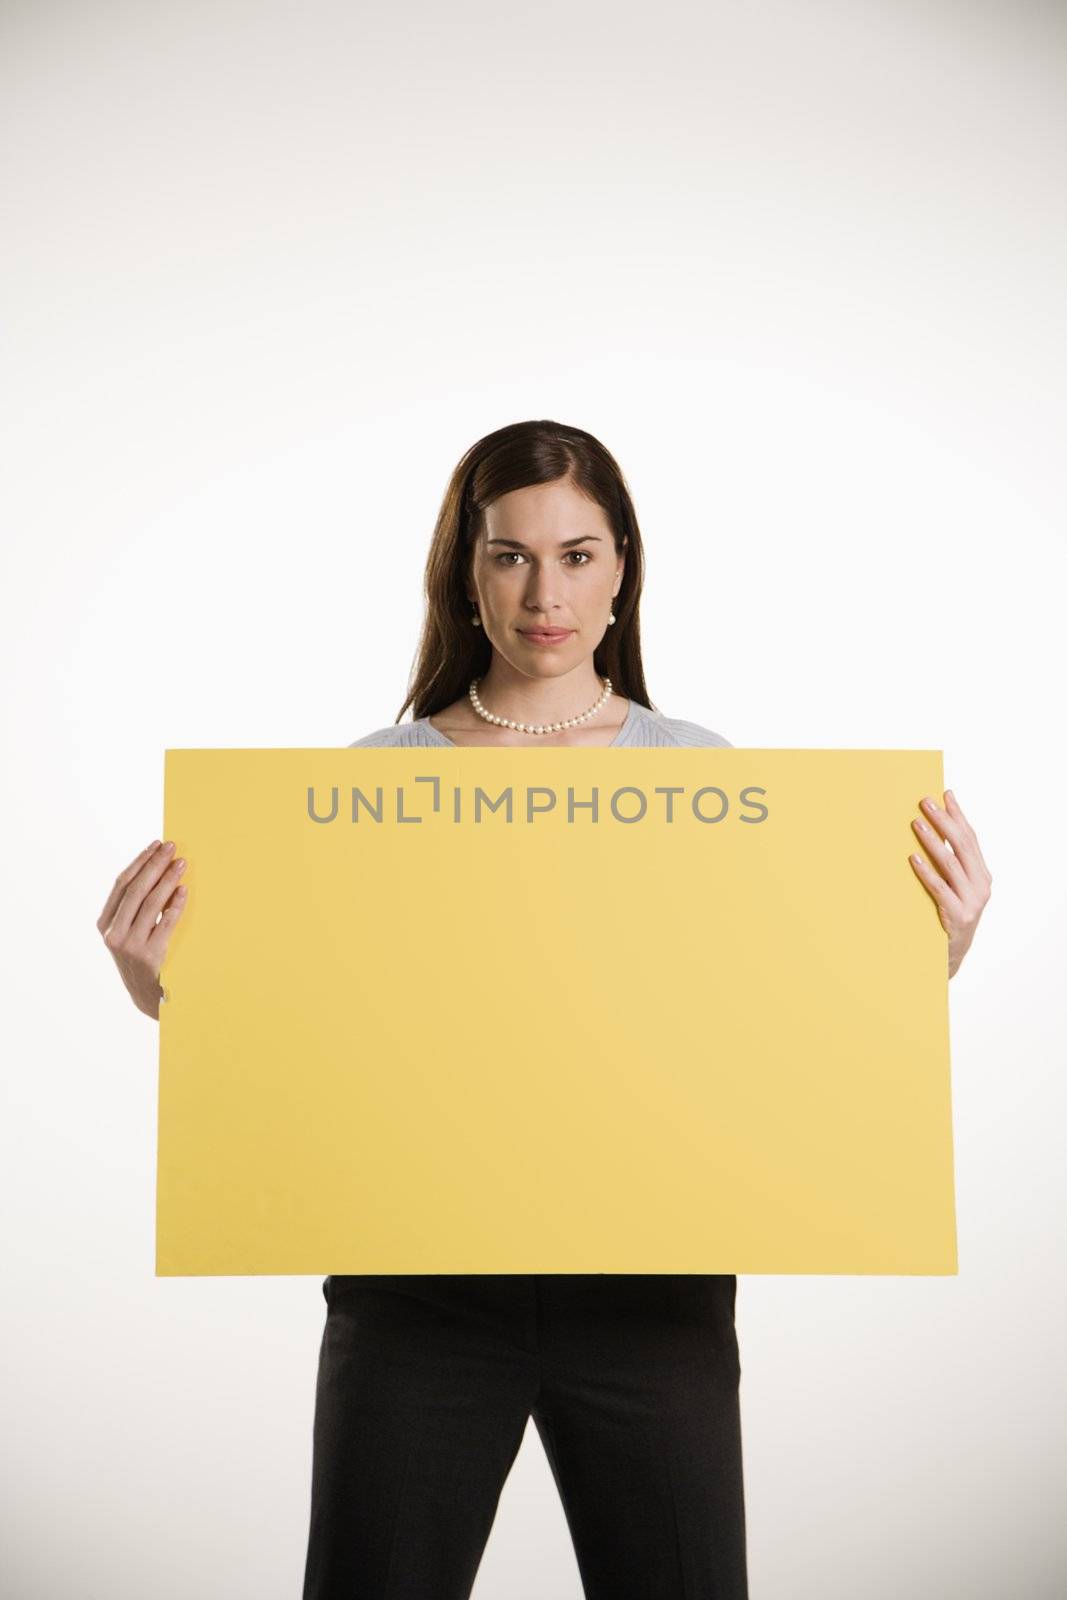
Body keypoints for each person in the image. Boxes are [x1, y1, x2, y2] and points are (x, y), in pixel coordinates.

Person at [97, 419, 993, 1599]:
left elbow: (761, 1032)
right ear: (465, 574)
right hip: (418, 1290)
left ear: (621, 566)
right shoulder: (371, 779)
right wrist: (160, 983)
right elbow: (326, 1044)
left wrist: (934, 947)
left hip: (651, 1291)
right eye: (510, 555)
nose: (544, 593)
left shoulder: (704, 774)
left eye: (575, 554)